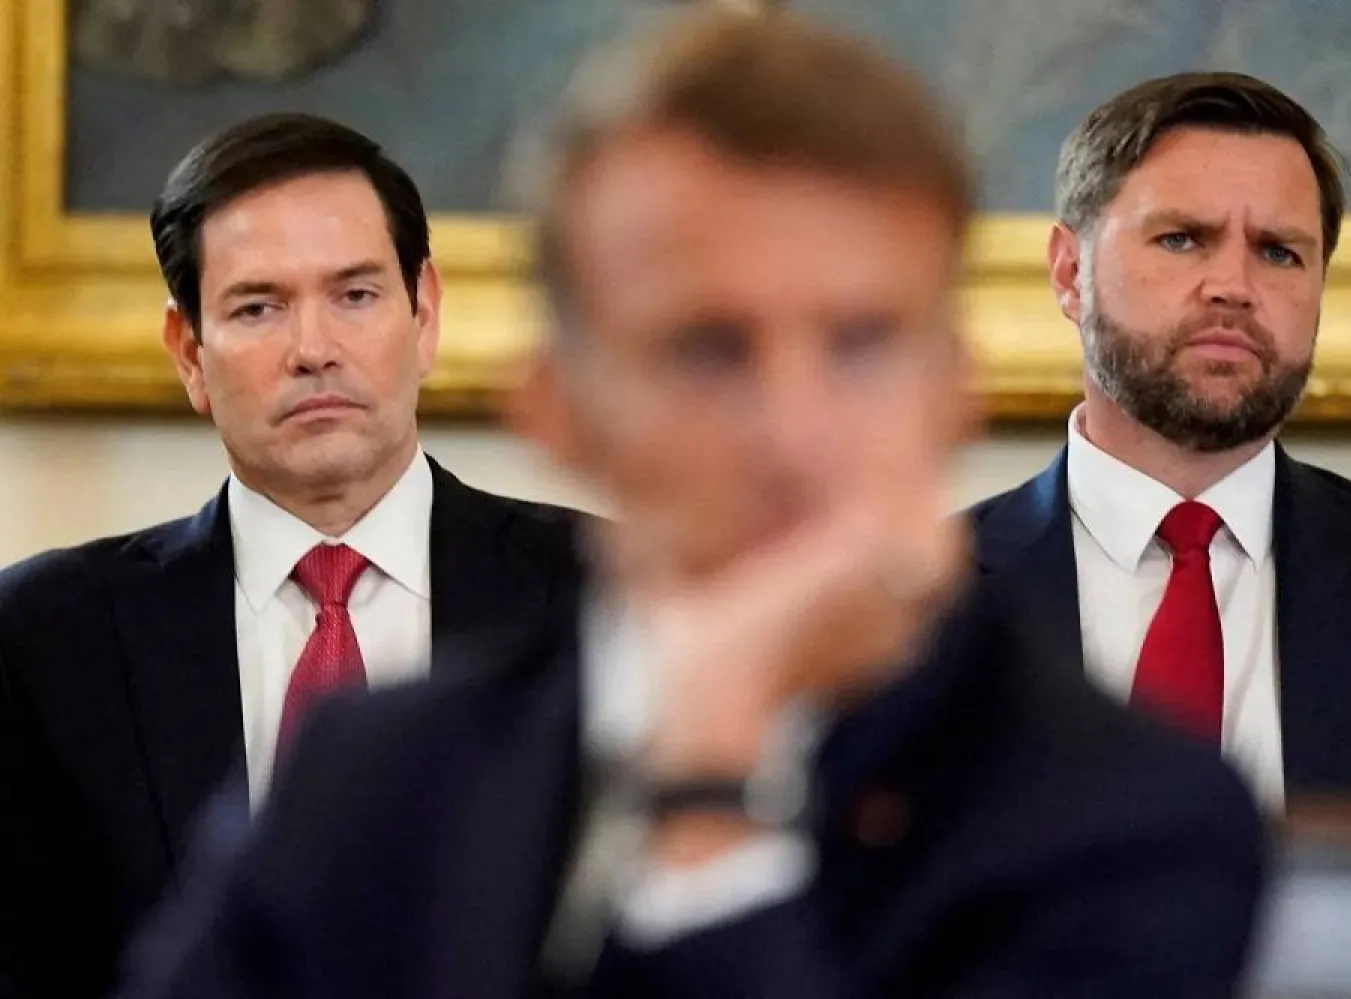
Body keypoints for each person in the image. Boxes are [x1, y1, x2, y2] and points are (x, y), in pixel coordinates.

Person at [113, 13, 1266, 999]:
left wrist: (707, 805)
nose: (793, 429)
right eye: (707, 350)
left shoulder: (1126, 822)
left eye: (862, 344)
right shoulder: (376, 772)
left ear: (951, 388)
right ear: (559, 409)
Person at [0, 114, 581, 999]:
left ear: (424, 314)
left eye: (355, 295)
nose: (314, 350)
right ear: (190, 353)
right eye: (258, 307)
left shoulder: (601, 594)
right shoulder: (42, 638)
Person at [970, 71, 1351, 808]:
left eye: (1279, 251)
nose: (1233, 285)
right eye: (1182, 239)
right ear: (1070, 273)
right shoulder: (920, 603)